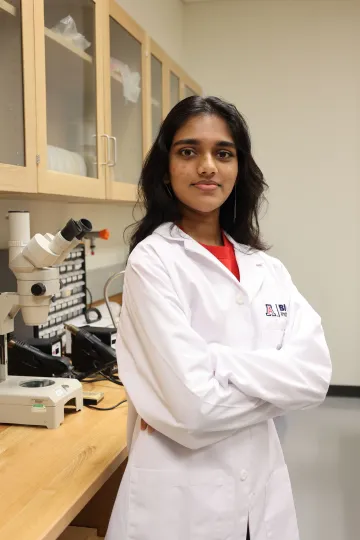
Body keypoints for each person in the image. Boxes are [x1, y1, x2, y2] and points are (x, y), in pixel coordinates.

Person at [105, 96, 332, 540]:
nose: (207, 166)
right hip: (181, 503)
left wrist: (214, 361)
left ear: (237, 169)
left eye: (222, 153)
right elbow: (196, 414)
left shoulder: (267, 269)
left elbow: (313, 377)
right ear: (166, 168)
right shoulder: (153, 262)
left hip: (260, 496)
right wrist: (275, 388)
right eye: (188, 151)